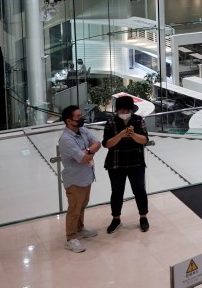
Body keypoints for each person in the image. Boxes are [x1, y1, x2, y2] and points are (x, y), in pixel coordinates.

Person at [102, 95, 150, 233]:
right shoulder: (111, 122)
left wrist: (133, 135)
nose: (123, 114)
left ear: (131, 110)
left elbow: (145, 140)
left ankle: (143, 217)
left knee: (139, 190)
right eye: (120, 111)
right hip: (116, 164)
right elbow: (107, 144)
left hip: (136, 162)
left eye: (126, 111)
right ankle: (116, 218)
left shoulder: (139, 121)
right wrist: (121, 134)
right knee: (117, 192)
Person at [58, 105, 101, 252]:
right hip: (75, 180)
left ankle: (80, 229)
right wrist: (87, 153)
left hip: (87, 177)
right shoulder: (65, 139)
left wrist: (88, 151)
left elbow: (97, 143)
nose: (81, 118)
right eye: (78, 117)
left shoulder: (82, 130)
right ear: (69, 121)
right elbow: (83, 158)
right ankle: (70, 238)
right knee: (74, 209)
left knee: (82, 205)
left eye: (80, 115)